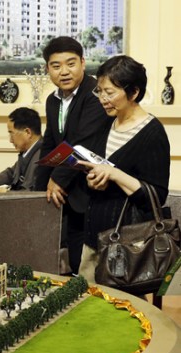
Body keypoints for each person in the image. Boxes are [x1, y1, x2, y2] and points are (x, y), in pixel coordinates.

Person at [77, 55, 170, 284]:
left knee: (121, 302)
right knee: (85, 299)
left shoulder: (152, 133)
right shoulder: (106, 123)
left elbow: (156, 196)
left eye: (110, 93)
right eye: (99, 91)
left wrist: (115, 174)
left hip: (126, 245)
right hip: (94, 236)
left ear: (134, 92)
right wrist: (93, 180)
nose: (103, 99)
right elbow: (100, 172)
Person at [34, 36, 113, 275]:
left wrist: (57, 179)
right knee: (70, 263)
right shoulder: (53, 100)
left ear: (83, 63)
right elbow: (50, 143)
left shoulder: (96, 95)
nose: (64, 71)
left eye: (71, 64)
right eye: (56, 66)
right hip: (66, 195)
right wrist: (38, 192)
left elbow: (83, 141)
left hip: (92, 192)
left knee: (90, 266)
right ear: (47, 69)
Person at [0, 107, 42, 193]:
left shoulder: (41, 157)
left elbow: (29, 195)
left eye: (11, 133)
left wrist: (5, 194)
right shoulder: (29, 152)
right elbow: (11, 173)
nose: (10, 140)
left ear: (27, 132)